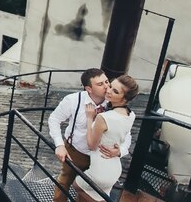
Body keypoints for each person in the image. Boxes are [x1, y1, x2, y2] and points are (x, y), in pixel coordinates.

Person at [48, 68, 131, 202]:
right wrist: (59, 144)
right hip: (76, 152)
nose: (107, 87)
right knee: (64, 182)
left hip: (100, 159)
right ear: (89, 89)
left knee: (89, 191)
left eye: (106, 82)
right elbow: (54, 119)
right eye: (100, 84)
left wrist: (120, 151)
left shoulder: (113, 104)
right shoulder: (73, 100)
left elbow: (126, 133)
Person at [74, 75, 138, 201]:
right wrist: (119, 150)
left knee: (77, 185)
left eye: (115, 91)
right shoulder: (131, 115)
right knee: (96, 197)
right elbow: (124, 137)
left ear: (125, 98)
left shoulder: (104, 118)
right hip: (114, 169)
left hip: (99, 170)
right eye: (110, 86)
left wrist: (89, 118)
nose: (108, 90)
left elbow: (92, 145)